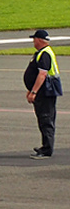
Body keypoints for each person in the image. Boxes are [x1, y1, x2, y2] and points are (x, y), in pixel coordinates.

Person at [24, 30, 60, 159]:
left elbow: (42, 74)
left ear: (39, 40)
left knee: (46, 119)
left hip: (46, 92)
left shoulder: (44, 54)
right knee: (44, 119)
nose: (33, 41)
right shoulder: (42, 53)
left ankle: (47, 149)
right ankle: (45, 146)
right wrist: (30, 88)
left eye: (34, 39)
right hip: (43, 91)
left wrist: (34, 91)